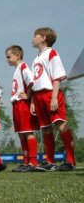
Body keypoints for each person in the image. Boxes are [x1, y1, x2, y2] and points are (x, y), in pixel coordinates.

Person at [30, 27, 76, 171]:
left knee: (61, 125)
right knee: (46, 129)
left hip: (50, 93)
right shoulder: (36, 58)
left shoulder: (51, 53)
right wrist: (32, 101)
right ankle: (49, 161)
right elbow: (34, 82)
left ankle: (71, 161)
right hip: (38, 96)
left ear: (44, 38)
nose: (33, 38)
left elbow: (57, 77)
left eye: (35, 35)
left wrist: (54, 97)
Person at [5, 45, 44, 172]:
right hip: (16, 104)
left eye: (9, 56)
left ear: (18, 55)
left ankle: (33, 161)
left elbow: (32, 82)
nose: (7, 59)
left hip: (23, 104)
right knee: (21, 134)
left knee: (28, 132)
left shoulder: (23, 67)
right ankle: (26, 161)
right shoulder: (17, 69)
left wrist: (28, 96)